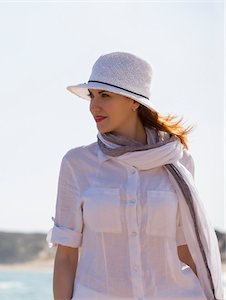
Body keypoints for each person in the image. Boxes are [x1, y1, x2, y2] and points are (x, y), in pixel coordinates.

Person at [47, 52, 224, 300]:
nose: (93, 106)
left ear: (134, 101)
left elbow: (186, 247)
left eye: (105, 95)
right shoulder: (77, 165)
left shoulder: (178, 161)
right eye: (92, 96)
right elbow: (66, 256)